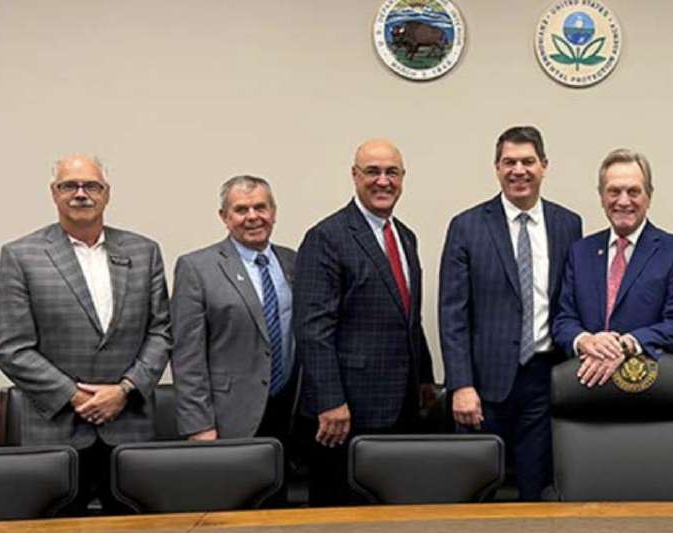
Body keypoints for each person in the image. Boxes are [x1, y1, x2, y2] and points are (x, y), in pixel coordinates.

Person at [0, 155, 171, 514]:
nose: (80, 194)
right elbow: (12, 348)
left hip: (129, 427)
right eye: (68, 186)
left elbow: (161, 332)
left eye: (91, 185)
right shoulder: (21, 255)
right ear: (53, 194)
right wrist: (75, 396)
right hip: (55, 432)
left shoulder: (143, 251)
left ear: (106, 194)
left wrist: (123, 391)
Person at [439, 126, 582, 500]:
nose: (519, 170)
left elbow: (572, 301)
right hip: (483, 384)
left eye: (528, 161)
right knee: (477, 489)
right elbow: (452, 313)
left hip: (544, 377)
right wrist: (461, 385)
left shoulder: (568, 224)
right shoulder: (467, 226)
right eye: (509, 162)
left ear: (544, 166)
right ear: (496, 168)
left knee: (537, 487)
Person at [293, 139, 435, 506]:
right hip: (345, 413)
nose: (383, 181)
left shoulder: (405, 237)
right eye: (372, 171)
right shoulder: (327, 237)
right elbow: (312, 328)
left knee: (392, 520)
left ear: (403, 178)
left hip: (401, 407)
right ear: (354, 176)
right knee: (340, 523)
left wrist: (423, 378)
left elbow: (409, 317)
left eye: (392, 172)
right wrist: (330, 400)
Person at [170, 175, 298, 503]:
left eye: (260, 207)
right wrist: (199, 425)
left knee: (283, 512)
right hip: (229, 417)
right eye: (241, 209)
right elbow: (187, 355)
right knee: (233, 514)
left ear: (274, 212)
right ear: (224, 217)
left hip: (291, 411)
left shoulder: (293, 261)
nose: (253, 216)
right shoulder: (198, 268)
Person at [551, 149, 673, 386]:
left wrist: (626, 344)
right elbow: (563, 320)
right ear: (601, 197)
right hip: (586, 389)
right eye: (614, 191)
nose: (623, 201)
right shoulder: (580, 252)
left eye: (633, 191)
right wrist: (585, 341)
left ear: (648, 196)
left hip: (648, 389)